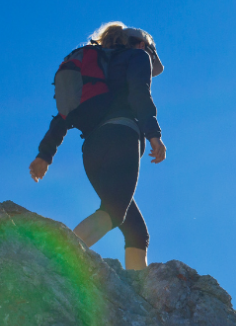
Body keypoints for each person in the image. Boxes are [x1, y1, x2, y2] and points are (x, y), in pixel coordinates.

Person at [29, 22, 167, 270]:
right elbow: (139, 92)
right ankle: (55, 261)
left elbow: (63, 116)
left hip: (92, 150)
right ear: (143, 45)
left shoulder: (96, 71)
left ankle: (139, 292)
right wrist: (154, 134)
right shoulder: (138, 56)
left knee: (136, 231)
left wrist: (44, 155)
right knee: (113, 211)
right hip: (122, 136)